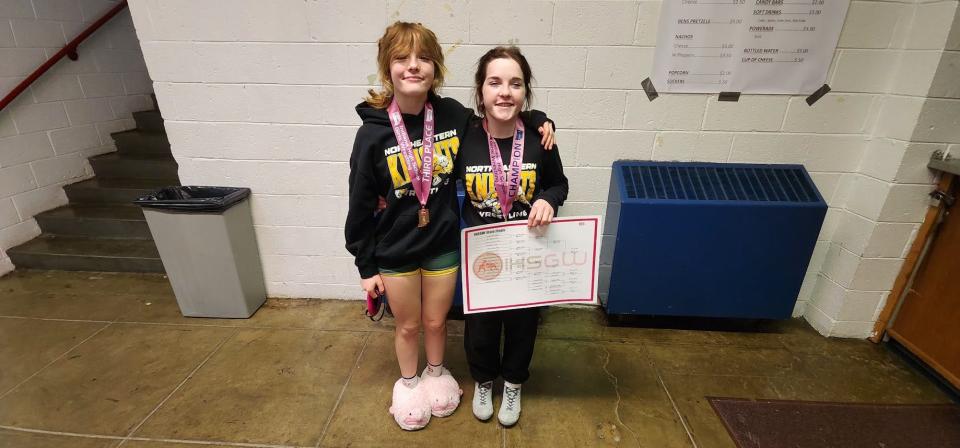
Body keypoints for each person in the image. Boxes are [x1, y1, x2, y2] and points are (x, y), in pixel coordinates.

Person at [344, 23, 554, 431]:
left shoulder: (453, 116)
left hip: (441, 243)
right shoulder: (370, 136)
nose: (413, 66)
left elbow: (501, 112)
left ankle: (437, 375)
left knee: (438, 322)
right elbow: (359, 204)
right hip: (394, 248)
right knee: (407, 324)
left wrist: (543, 119)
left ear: (435, 67)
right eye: (402, 58)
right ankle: (408, 385)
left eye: (423, 58)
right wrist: (365, 266)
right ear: (387, 68)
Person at [458, 46, 569, 427]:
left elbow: (559, 184)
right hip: (483, 255)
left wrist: (548, 201)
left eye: (515, 84)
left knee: (523, 325)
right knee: (481, 328)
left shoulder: (540, 139)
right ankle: (485, 381)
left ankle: (514, 383)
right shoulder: (464, 137)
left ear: (525, 92)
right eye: (495, 82)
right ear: (481, 91)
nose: (505, 92)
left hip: (527, 252)